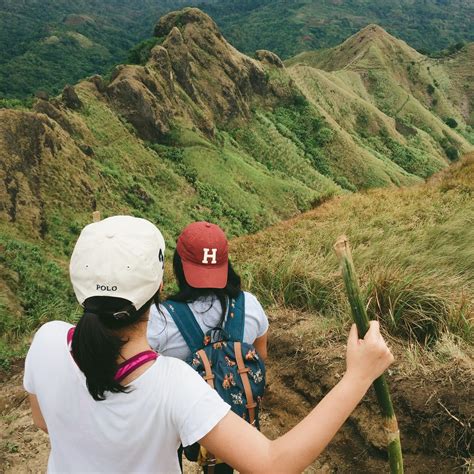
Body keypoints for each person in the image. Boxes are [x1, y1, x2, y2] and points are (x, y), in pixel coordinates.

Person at [24, 215, 394, 474]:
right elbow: (273, 463)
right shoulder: (172, 384)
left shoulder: (45, 341)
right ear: (158, 287)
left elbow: (44, 423)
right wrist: (357, 378)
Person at [147, 221, 269, 473]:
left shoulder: (161, 319)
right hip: (230, 418)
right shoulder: (250, 306)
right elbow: (261, 356)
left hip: (181, 422)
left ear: (179, 265)